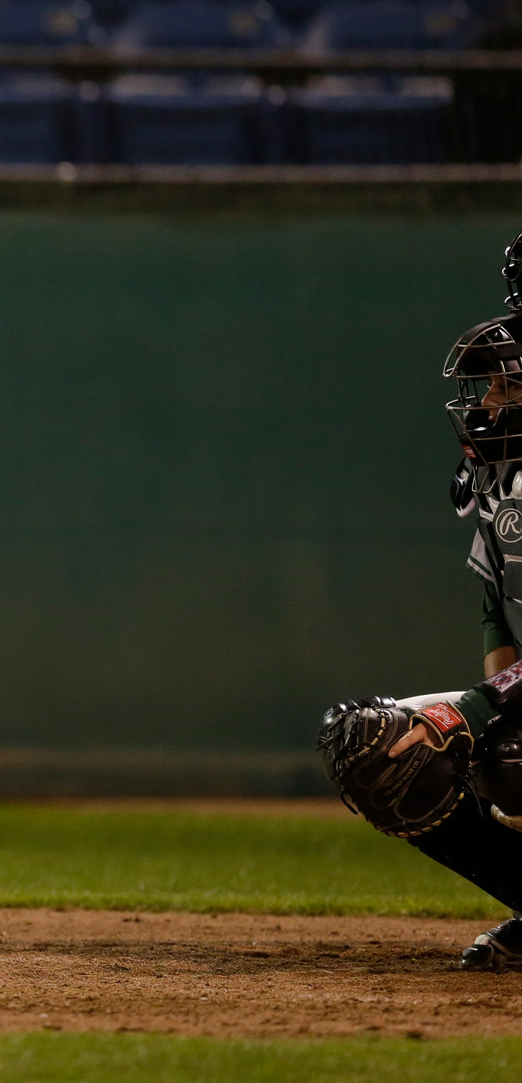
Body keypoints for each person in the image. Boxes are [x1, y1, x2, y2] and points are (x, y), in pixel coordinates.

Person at [318, 231, 522, 971]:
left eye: (508, 389)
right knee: (375, 745)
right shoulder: (503, 486)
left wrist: (470, 710)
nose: (489, 404)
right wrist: (486, 713)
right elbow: (499, 622)